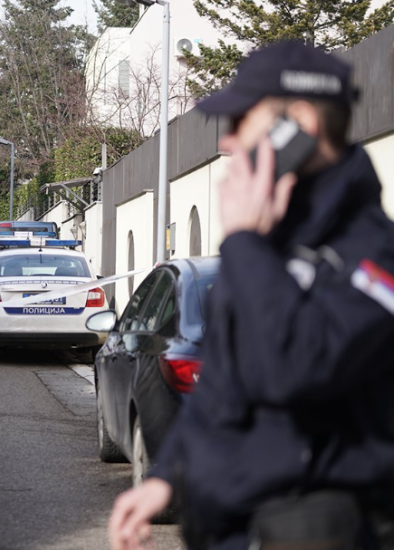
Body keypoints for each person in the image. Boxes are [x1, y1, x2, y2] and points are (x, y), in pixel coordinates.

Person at [109, 41, 394, 550]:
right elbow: (222, 389)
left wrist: (243, 243)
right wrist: (165, 479)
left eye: (241, 121)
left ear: (299, 125)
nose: (226, 143)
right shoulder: (270, 245)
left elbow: (294, 368)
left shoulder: (372, 257)